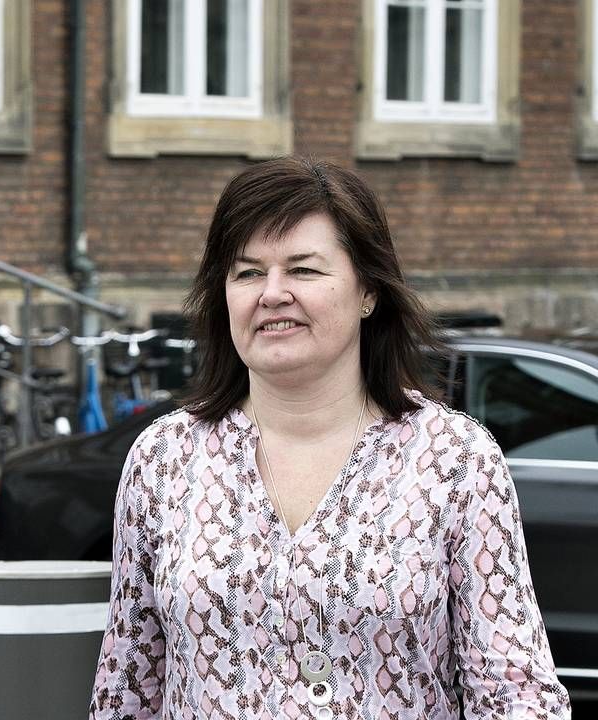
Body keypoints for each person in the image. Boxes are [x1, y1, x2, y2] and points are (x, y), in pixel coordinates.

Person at [89, 157, 570, 719]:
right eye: (247, 272)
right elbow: (128, 687)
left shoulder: (453, 459)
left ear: (368, 291)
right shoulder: (164, 460)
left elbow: (514, 693)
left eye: (304, 270)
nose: (272, 293)